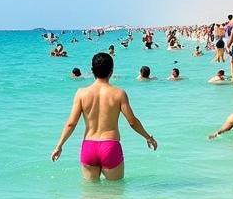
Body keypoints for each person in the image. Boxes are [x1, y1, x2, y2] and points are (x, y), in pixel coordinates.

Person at [51, 52, 156, 180]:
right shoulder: (119, 93)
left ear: (92, 71)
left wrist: (59, 146)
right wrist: (148, 137)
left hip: (89, 147)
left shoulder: (81, 93)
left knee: (90, 195)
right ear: (111, 71)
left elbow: (71, 124)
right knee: (115, 194)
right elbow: (132, 121)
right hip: (110, 146)